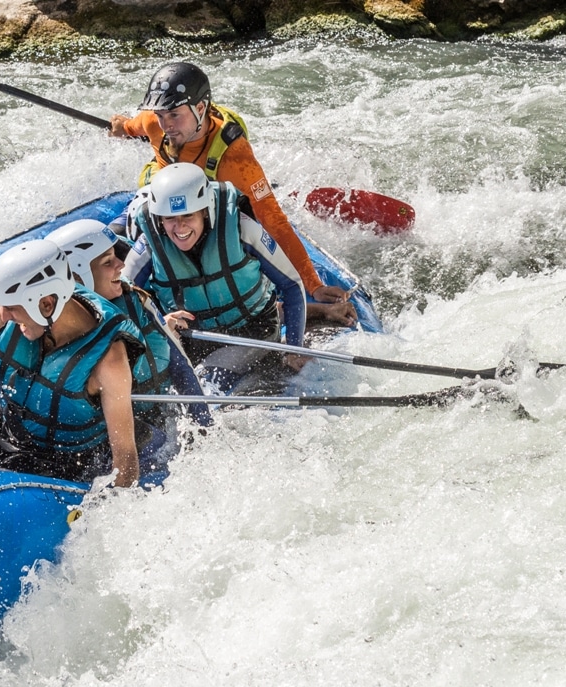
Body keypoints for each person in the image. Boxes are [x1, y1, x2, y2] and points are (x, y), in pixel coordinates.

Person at [109, 61, 357, 327]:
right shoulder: (153, 121)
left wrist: (313, 284)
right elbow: (132, 127)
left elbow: (273, 220)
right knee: (121, 232)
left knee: (223, 267)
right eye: (161, 115)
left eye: (174, 115)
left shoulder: (236, 158)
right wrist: (122, 128)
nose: (166, 125)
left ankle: (291, 309)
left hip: (210, 216)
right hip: (164, 202)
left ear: (200, 109)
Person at [0, 239, 148, 487]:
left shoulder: (109, 360)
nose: (3, 315)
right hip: (3, 423)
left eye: (12, 309)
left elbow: (125, 456)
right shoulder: (8, 311)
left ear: (46, 304)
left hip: (58, 457)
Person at [127, 162, 310, 390]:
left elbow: (292, 285)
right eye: (169, 218)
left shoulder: (241, 227)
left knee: (205, 385)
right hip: (191, 337)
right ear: (159, 219)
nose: (179, 227)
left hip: (252, 331)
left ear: (205, 211)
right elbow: (120, 298)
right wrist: (160, 322)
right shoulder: (150, 241)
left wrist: (294, 349)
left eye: (188, 215)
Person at [43, 218, 213, 427]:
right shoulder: (56, 332)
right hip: (121, 430)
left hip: (164, 414)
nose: (121, 265)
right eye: (108, 262)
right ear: (77, 278)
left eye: (115, 257)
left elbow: (180, 366)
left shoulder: (135, 299)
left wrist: (203, 424)